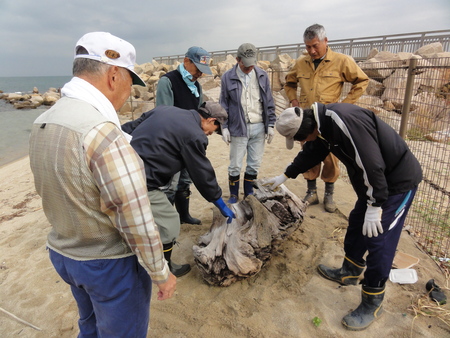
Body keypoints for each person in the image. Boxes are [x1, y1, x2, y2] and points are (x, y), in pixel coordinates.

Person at [28, 32, 176, 337]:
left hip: (65, 253)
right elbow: (134, 216)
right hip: (109, 264)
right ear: (113, 76)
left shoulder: (44, 120)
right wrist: (161, 272)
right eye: (129, 83)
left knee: (91, 326)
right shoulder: (101, 132)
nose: (128, 93)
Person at [266, 102, 422, 330]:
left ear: (308, 130)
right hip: (374, 186)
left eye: (300, 138)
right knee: (358, 222)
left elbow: (372, 165)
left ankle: (373, 301)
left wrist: (376, 204)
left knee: (380, 240)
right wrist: (285, 175)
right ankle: (349, 271)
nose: (301, 143)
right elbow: (313, 151)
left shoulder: (343, 122)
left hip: (396, 183)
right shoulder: (321, 125)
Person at [122, 101, 236, 277]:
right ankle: (165, 268)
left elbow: (128, 128)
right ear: (210, 120)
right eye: (212, 130)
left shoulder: (164, 110)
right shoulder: (195, 135)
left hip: (121, 168)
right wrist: (220, 203)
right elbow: (202, 174)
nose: (209, 134)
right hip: (140, 182)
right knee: (169, 224)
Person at [284, 24, 369, 213]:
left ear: (325, 41)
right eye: (308, 47)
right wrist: (294, 99)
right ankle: (311, 192)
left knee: (331, 158)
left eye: (315, 46)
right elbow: (289, 83)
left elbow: (362, 81)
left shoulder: (341, 61)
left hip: (329, 121)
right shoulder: (301, 63)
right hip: (307, 122)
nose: (312, 51)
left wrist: (346, 105)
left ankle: (328, 194)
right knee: (308, 155)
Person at [155, 46, 212, 225]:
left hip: (189, 143)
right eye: (197, 69)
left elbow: (199, 114)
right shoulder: (168, 82)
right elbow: (163, 116)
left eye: (203, 71)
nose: (200, 75)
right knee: (170, 184)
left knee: (185, 181)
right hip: (172, 144)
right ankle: (167, 221)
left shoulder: (197, 86)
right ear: (186, 61)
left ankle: (183, 216)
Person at [219, 43, 276, 203]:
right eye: (246, 64)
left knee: (254, 164)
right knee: (235, 165)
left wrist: (270, 125)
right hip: (238, 127)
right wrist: (224, 127)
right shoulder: (227, 77)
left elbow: (269, 101)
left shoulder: (262, 75)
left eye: (252, 63)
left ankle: (249, 195)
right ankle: (233, 195)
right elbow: (223, 103)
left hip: (259, 126)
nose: (250, 67)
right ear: (238, 59)